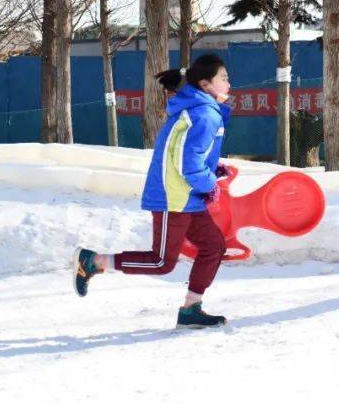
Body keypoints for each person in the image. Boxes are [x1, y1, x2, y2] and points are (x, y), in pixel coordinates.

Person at [73, 53, 234, 329]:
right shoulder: (204, 113)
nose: (229, 83)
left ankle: (191, 308)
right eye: (224, 78)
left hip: (187, 196)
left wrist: (213, 168)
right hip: (174, 197)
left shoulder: (202, 110)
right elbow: (187, 162)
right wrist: (209, 185)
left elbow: (186, 152)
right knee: (162, 262)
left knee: (213, 246)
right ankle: (94, 261)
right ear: (206, 84)